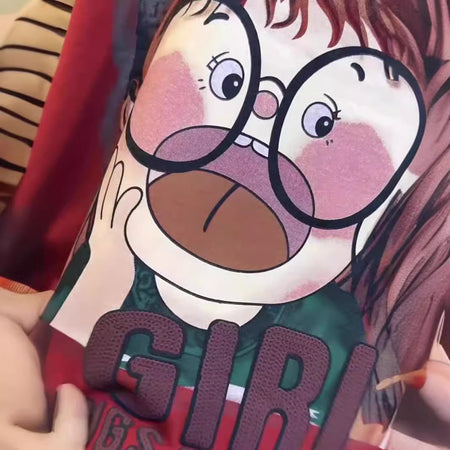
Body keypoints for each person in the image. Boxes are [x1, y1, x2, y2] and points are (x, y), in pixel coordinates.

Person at [0, 0, 448, 448]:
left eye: (323, 123)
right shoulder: (111, 263)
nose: (261, 121)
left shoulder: (347, 334)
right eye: (229, 81)